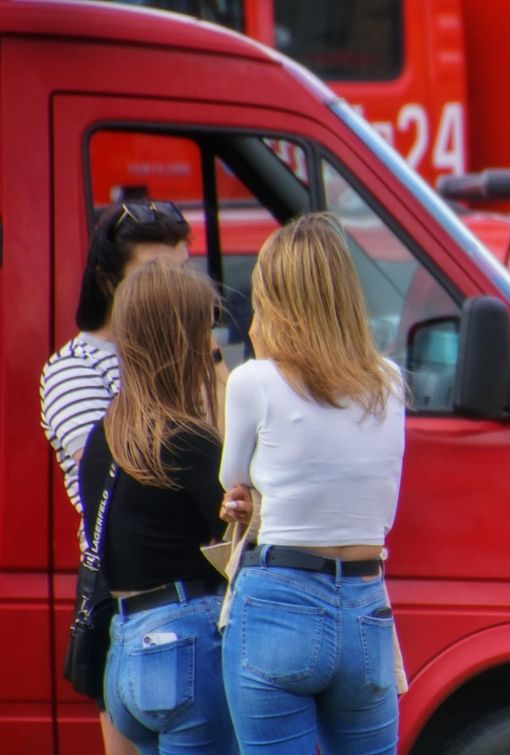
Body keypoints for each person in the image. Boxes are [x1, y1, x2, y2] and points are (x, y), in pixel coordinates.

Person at [219, 212, 406, 753]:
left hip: (280, 597)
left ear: (272, 297)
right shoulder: (388, 382)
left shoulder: (252, 380)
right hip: (367, 601)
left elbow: (233, 482)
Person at [40, 197, 192, 755]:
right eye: (151, 277)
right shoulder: (76, 368)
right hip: (131, 596)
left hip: (202, 588)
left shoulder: (192, 357)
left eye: (181, 275)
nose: (169, 293)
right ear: (108, 279)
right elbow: (114, 486)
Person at [76, 262, 235, 754]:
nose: (214, 341)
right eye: (206, 329)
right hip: (181, 645)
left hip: (124, 651)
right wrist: (225, 386)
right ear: (182, 339)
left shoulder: (104, 435)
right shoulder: (187, 440)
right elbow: (240, 543)